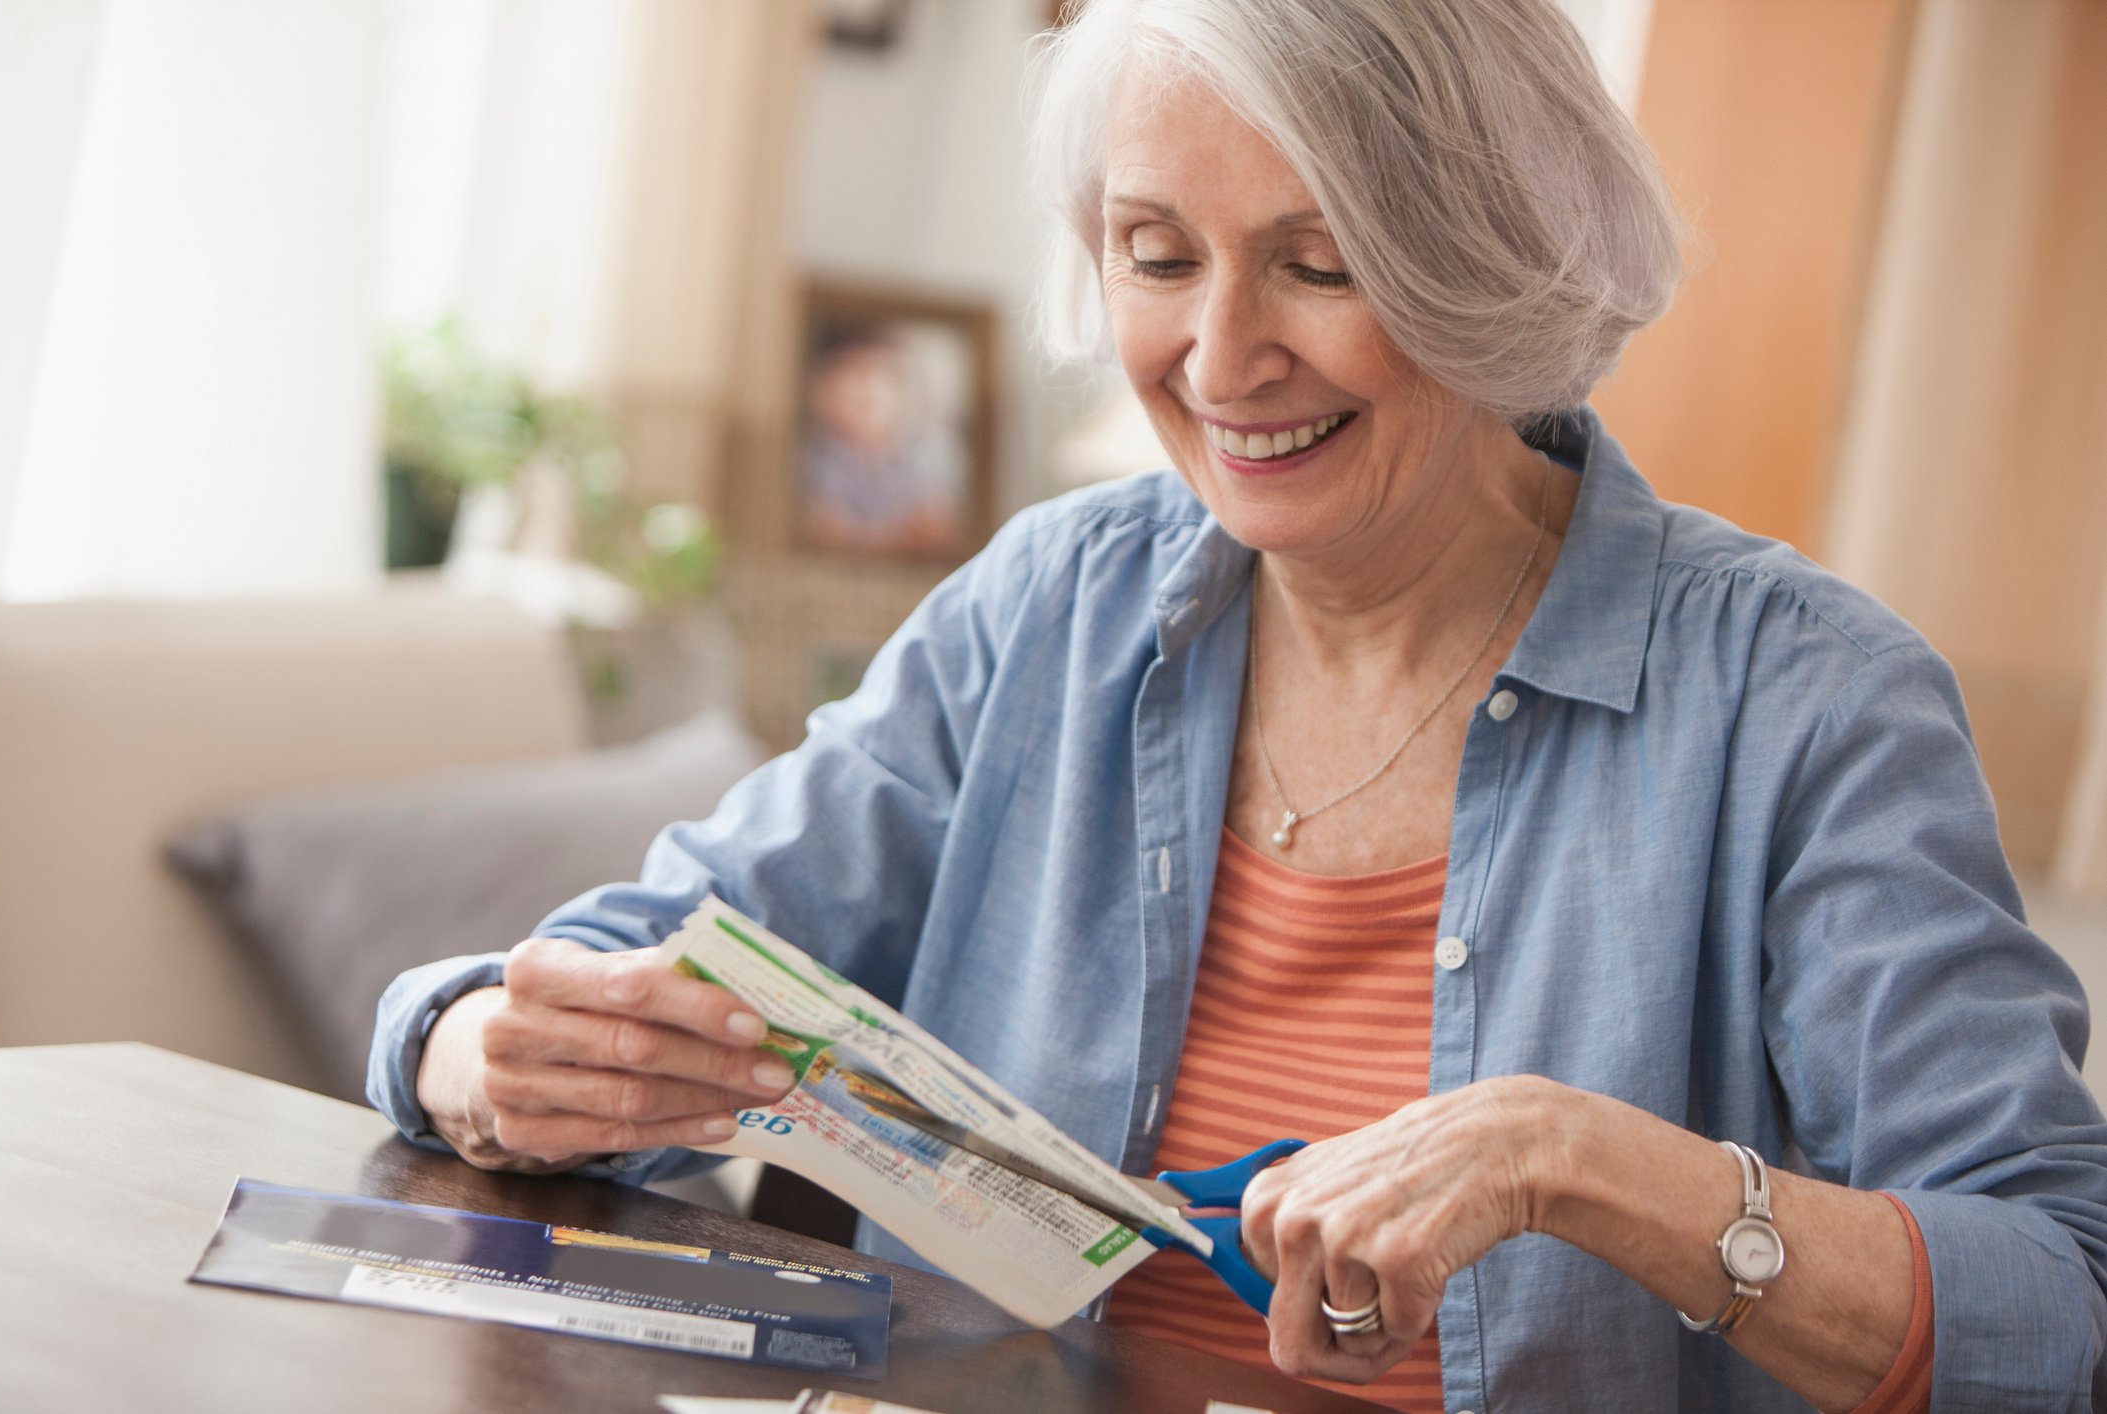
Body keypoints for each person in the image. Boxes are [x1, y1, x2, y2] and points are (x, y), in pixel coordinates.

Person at [368, 1, 2107, 1409]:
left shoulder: (1803, 700)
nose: (1216, 359)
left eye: (1317, 261)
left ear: (1487, 261)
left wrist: (1573, 1157)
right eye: (1156, 252)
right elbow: (636, 958)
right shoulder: (1048, 605)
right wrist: (474, 1052)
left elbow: (2058, 1298)